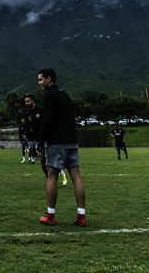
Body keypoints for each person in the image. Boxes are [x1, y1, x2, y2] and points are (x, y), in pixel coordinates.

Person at [36, 68, 86, 227]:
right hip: (71, 141)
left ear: (49, 79)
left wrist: (41, 142)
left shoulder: (49, 96)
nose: (39, 83)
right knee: (76, 177)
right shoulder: (64, 94)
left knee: (52, 176)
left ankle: (50, 215)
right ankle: (81, 216)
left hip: (56, 142)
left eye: (41, 80)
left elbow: (47, 121)